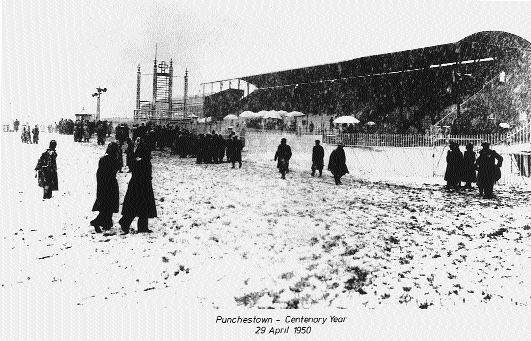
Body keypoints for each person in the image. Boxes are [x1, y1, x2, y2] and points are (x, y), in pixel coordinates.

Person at [119, 137, 157, 234]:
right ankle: (127, 223)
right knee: (139, 206)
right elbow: (144, 172)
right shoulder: (142, 161)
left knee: (138, 206)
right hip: (142, 186)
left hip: (138, 185)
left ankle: (138, 226)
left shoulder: (137, 160)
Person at [90, 143, 121, 233]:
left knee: (105, 205)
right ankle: (97, 222)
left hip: (103, 184)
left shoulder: (103, 158)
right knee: (109, 205)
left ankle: (106, 223)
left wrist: (100, 184)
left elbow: (99, 173)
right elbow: (117, 168)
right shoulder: (114, 159)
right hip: (111, 184)